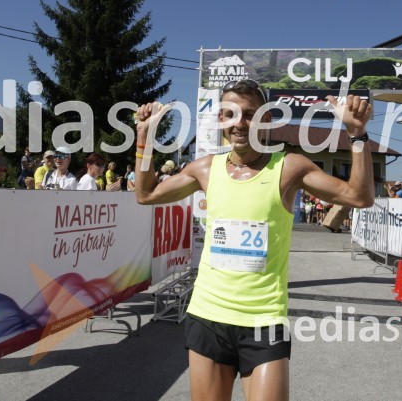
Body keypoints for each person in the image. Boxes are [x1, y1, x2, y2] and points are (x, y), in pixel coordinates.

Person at [132, 79, 373, 401]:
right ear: (220, 119)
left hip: (263, 319)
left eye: (249, 114)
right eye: (230, 114)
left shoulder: (289, 168)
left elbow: (359, 196)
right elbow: (145, 194)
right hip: (208, 315)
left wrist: (357, 135)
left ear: (266, 119)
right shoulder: (205, 169)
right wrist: (144, 138)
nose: (240, 123)